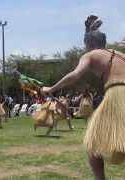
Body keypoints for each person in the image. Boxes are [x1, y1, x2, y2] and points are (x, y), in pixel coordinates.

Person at [41, 15, 125, 179]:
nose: (84, 47)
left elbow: (75, 75)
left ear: (90, 44)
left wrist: (52, 88)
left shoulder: (91, 55)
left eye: (85, 43)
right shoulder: (120, 54)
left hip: (117, 95)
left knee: (93, 142)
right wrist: (88, 30)